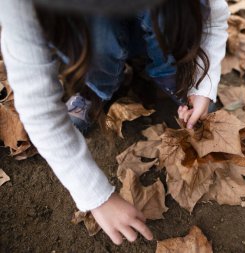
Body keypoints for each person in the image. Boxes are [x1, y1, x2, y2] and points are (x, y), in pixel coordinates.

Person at [0, 0, 229, 245]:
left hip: (161, 24)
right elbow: (38, 109)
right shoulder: (22, 8)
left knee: (168, 18)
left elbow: (213, 18)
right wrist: (96, 195)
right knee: (99, 32)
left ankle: (174, 78)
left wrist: (202, 86)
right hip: (91, 42)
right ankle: (97, 87)